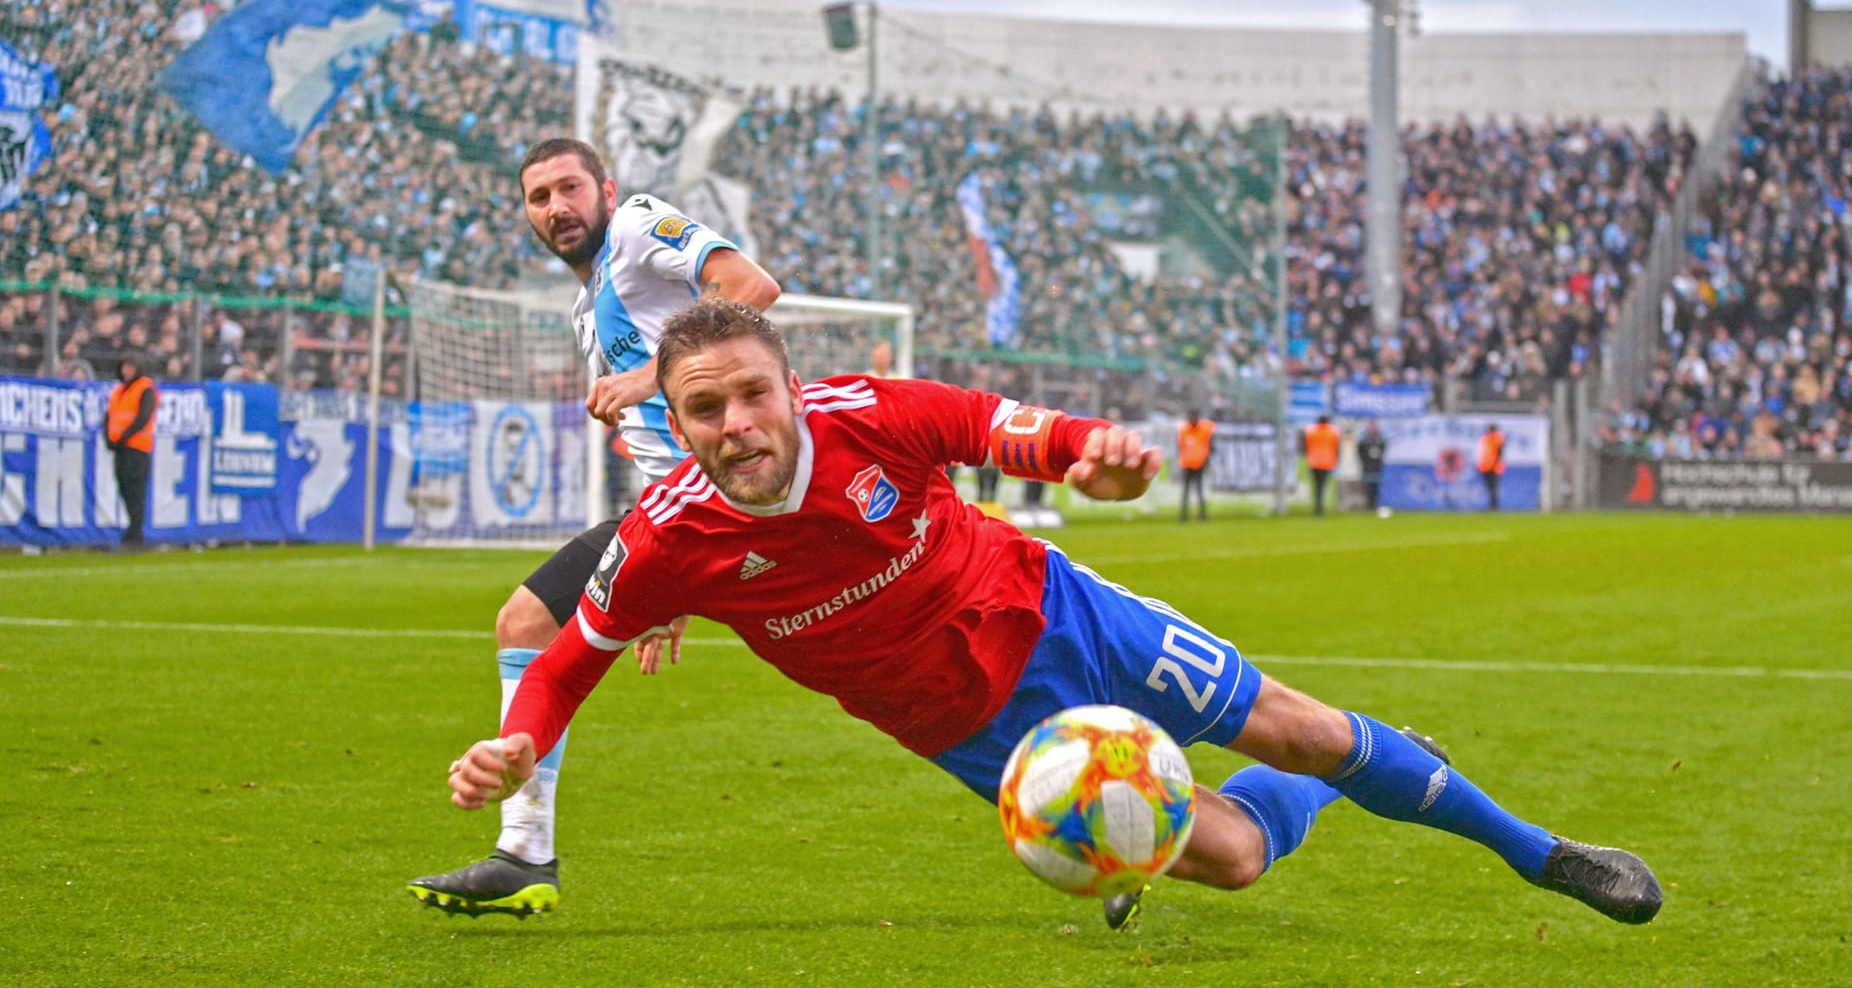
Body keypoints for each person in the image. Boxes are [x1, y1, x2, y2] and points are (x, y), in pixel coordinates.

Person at [439, 298, 1664, 934]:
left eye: (753, 395)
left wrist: (1097, 460)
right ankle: (1365, 775)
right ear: (679, 420)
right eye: (704, 411)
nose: (736, 426)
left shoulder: (875, 412)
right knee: (1233, 860)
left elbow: (1011, 431)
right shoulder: (667, 535)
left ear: (789, 388)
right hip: (981, 737)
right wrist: (520, 743)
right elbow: (566, 662)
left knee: (1295, 729)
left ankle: (1539, 852)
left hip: (1062, 614)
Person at [406, 139, 781, 917]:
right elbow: (661, 449)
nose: (556, 208)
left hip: (745, 497)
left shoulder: (640, 228)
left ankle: (524, 849)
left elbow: (751, 284)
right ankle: (523, 851)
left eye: (569, 187)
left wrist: (660, 371)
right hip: (685, 513)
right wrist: (663, 582)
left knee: (902, 660)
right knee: (525, 622)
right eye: (538, 197)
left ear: (605, 188)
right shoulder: (589, 309)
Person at [105, 358, 156, 549]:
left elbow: (144, 416)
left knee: (136, 492)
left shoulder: (145, 388)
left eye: (130, 367)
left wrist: (124, 436)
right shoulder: (118, 391)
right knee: (125, 489)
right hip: (121, 448)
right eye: (124, 366)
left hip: (137, 448)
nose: (126, 371)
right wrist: (109, 438)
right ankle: (133, 533)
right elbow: (110, 416)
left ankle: (135, 535)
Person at [1176, 407, 1214, 522]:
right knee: (1186, 490)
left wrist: (1206, 460)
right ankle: (1183, 515)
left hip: (1199, 463)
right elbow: (1180, 446)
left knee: (1199, 490)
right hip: (1187, 463)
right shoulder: (1184, 430)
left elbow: (1208, 445)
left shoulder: (1204, 429)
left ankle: (1202, 514)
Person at [1302, 414, 1340, 517]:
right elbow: (1336, 447)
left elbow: (1306, 446)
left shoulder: (1311, 431)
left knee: (1316, 486)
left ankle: (1317, 508)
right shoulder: (1333, 432)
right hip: (1327, 461)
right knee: (1322, 486)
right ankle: (1320, 509)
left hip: (1314, 461)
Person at [1357, 421, 1387, 512]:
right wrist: (1363, 460)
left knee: (1375, 486)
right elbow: (1360, 450)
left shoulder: (1380, 438)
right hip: (1367, 466)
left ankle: (1374, 504)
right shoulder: (1364, 439)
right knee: (1367, 486)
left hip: (1376, 466)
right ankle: (1368, 504)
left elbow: (1384, 447)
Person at [1479, 422, 1506, 511]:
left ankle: (1494, 506)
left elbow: (1500, 452)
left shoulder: (1497, 438)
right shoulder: (1487, 438)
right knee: (1490, 487)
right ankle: (1491, 505)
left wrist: (1495, 463)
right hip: (1485, 466)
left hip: (1493, 467)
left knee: (1493, 487)